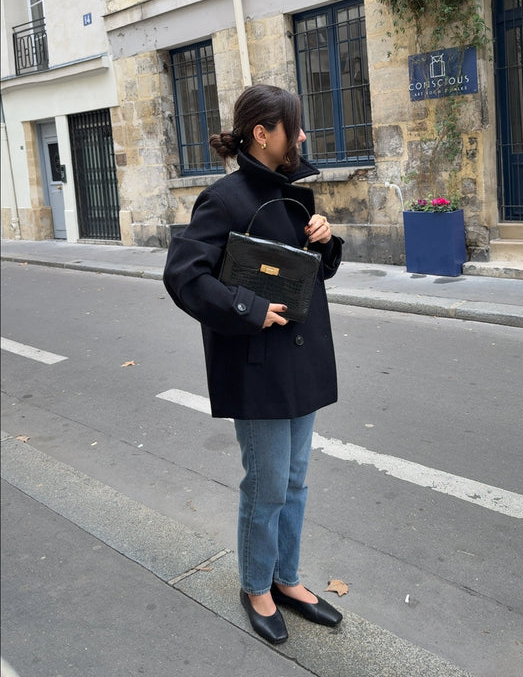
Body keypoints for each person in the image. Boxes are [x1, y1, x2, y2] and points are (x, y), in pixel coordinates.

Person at [163, 84, 343, 645]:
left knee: (294, 482)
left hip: (301, 364)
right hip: (257, 366)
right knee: (266, 487)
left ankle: (286, 579)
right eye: (296, 127)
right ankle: (256, 586)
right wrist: (249, 307)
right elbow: (184, 275)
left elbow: (311, 273)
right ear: (263, 134)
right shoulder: (223, 199)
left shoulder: (295, 194)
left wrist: (326, 241)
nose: (305, 136)